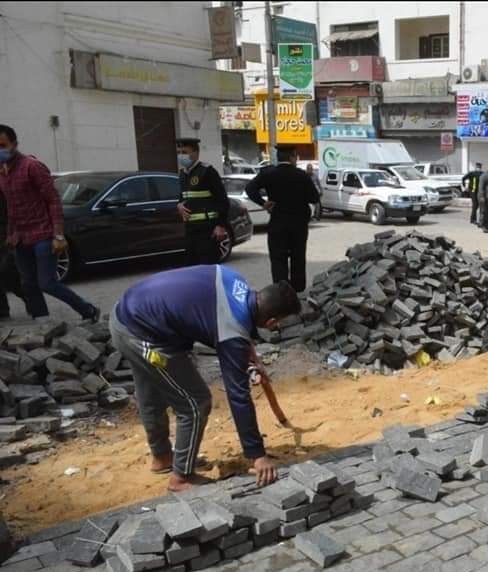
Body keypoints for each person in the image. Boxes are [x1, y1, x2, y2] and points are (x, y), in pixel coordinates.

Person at [109, 265, 301, 492]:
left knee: (152, 391)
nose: (275, 327)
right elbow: (238, 395)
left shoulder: (233, 278)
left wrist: (248, 353)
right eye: (277, 323)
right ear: (270, 322)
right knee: (196, 402)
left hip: (130, 314)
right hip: (142, 334)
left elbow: (226, 318)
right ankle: (181, 478)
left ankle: (162, 457)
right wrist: (257, 454)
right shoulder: (232, 330)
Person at [0, 124, 100, 321]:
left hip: (43, 233)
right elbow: (11, 207)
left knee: (47, 283)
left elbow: (53, 200)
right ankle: (42, 321)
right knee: (28, 283)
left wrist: (59, 235)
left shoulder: (32, 166)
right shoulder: (2, 173)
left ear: (15, 144)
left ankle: (88, 310)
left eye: (2, 145)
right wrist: (10, 234)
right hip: (20, 237)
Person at [245, 146, 319, 292]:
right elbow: (314, 198)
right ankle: (298, 291)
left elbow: (250, 188)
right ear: (292, 157)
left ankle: (281, 292)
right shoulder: (301, 175)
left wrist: (263, 203)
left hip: (277, 223)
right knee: (298, 258)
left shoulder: (269, 173)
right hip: (298, 225)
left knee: (278, 259)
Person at [176, 137, 230, 266]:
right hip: (190, 229)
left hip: (207, 229)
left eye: (185, 152)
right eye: (179, 152)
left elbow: (222, 199)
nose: (181, 156)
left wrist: (220, 225)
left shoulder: (207, 171)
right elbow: (183, 197)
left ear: (196, 153)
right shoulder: (183, 174)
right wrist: (179, 205)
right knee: (192, 268)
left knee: (207, 268)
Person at [0, 192, 27, 319]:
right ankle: (2, 311)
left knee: (7, 273)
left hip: (4, 235)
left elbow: (10, 212)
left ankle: (29, 298)